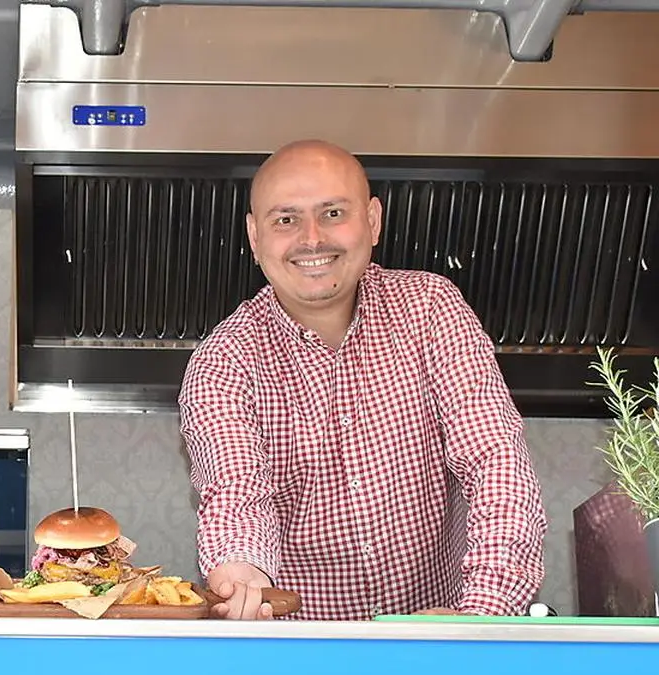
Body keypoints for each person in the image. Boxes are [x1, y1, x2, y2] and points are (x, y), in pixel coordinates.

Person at [178, 139, 547, 621]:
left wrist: (481, 618)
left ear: (372, 220)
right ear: (254, 236)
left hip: (444, 642)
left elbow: (495, 462)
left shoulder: (430, 309)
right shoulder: (223, 362)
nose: (312, 238)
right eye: (285, 219)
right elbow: (236, 491)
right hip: (303, 651)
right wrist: (241, 573)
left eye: (333, 213)